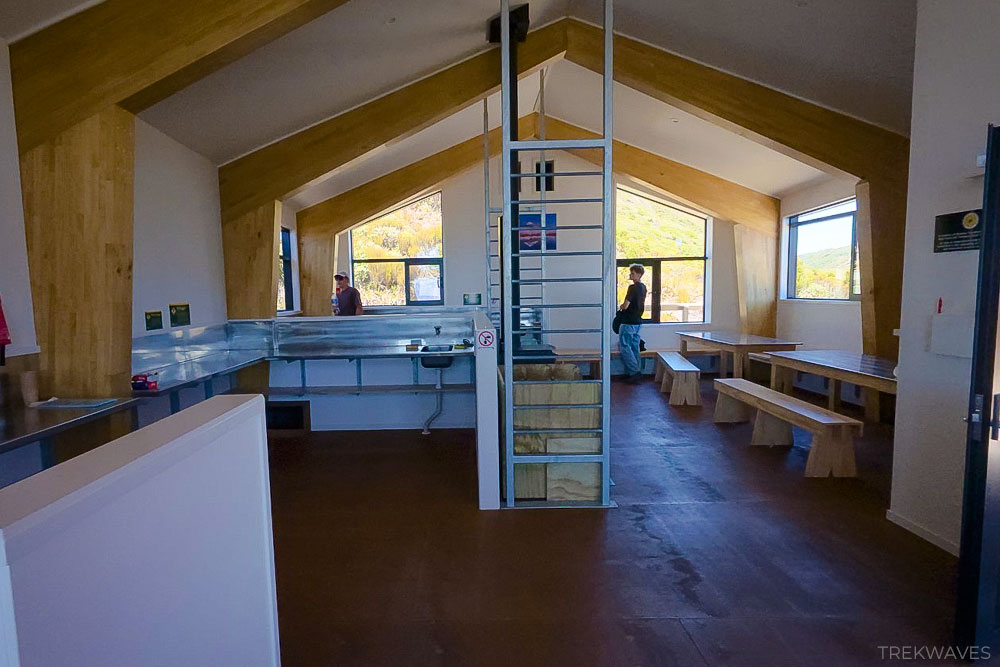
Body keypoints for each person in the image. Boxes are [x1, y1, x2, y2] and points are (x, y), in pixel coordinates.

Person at [617, 263, 646, 381]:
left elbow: (626, 305)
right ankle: (636, 371)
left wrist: (621, 306)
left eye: (633, 273)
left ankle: (633, 372)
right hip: (638, 322)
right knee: (634, 347)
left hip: (628, 321)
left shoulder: (632, 288)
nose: (631, 275)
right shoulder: (643, 287)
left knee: (625, 346)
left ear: (639, 275)